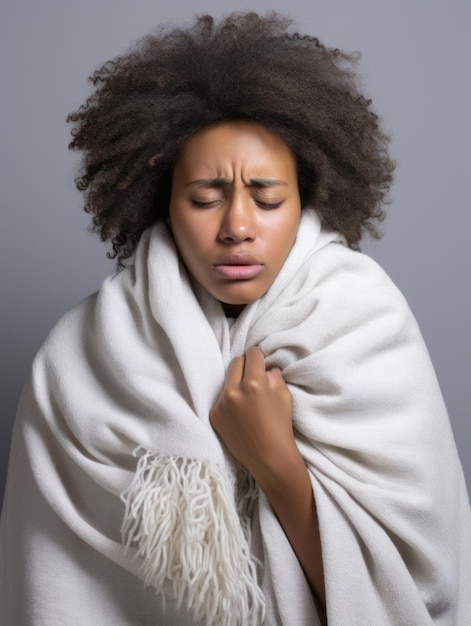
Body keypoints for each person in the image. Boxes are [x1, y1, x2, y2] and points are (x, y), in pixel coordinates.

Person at [1, 11, 470, 626]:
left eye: (268, 197)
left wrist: (275, 462)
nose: (238, 227)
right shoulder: (79, 357)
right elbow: (52, 589)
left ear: (307, 200)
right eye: (204, 198)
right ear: (160, 207)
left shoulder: (365, 325)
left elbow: (416, 593)